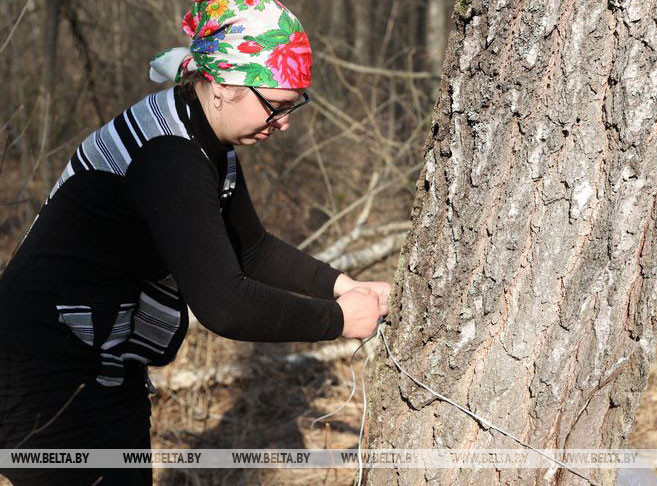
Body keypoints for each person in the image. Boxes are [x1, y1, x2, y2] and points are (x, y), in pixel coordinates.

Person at [0, 1, 389, 484]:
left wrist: (342, 285)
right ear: (224, 83)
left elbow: (253, 249)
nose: (284, 123)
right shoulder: (170, 156)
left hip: (104, 361)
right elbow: (224, 305)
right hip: (43, 372)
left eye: (294, 105)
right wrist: (338, 320)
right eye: (277, 106)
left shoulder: (202, 136)